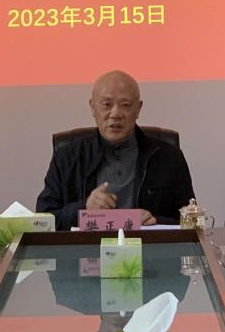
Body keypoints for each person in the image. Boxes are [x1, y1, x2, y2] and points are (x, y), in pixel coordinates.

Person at [35, 70, 194, 231]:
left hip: (146, 245)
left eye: (125, 105)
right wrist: (84, 208)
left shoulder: (169, 157)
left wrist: (155, 220)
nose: (116, 114)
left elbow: (190, 220)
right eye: (106, 104)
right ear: (92, 107)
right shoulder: (67, 157)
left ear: (138, 109)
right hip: (86, 245)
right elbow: (43, 220)